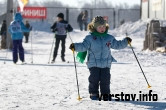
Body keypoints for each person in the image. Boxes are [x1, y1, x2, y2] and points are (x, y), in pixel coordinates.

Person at [69, 16, 132, 100]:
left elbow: (117, 45)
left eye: (103, 26)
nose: (102, 29)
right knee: (94, 79)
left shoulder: (109, 38)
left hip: (106, 63)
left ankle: (105, 94)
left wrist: (125, 41)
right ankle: (93, 92)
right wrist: (75, 46)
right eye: (100, 27)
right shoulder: (90, 38)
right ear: (95, 27)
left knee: (105, 80)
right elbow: (83, 46)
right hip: (93, 63)